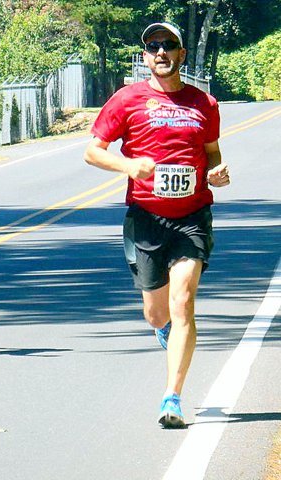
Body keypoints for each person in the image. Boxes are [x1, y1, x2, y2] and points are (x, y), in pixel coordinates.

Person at [84, 22, 230, 428]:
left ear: (182, 54)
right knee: (156, 313)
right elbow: (92, 152)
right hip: (146, 219)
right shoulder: (127, 100)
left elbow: (213, 153)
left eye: (169, 46)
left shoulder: (204, 103)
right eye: (153, 47)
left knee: (184, 302)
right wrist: (129, 164)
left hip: (192, 217)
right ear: (145, 56)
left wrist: (217, 172)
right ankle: (162, 330)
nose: (161, 52)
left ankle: (172, 398)